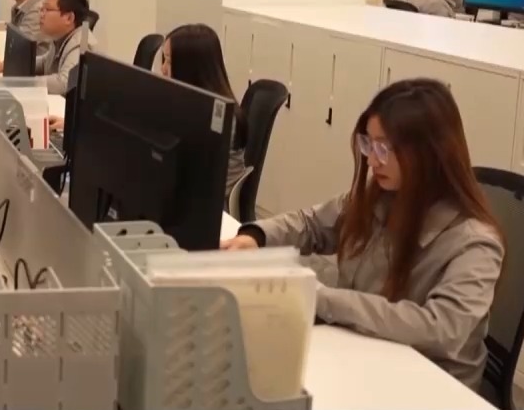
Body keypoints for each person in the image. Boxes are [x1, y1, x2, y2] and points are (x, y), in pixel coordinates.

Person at [222, 79, 504, 390]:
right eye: (368, 144)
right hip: (366, 355)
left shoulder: (474, 242)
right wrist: (256, 237)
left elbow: (440, 328)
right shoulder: (381, 196)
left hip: (430, 386)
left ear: (429, 153)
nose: (371, 160)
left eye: (384, 148)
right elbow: (312, 223)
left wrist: (323, 299)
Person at [160, 24, 248, 195]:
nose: (163, 69)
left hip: (212, 205)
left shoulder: (219, 119)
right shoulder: (190, 106)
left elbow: (189, 175)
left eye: (169, 61)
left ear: (189, 69)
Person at [0, 0, 95, 96]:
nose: (41, 14)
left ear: (69, 18)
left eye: (47, 9)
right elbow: (44, 63)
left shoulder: (81, 45)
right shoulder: (60, 37)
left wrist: (26, 82)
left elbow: (63, 83)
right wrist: (5, 66)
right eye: (41, 9)